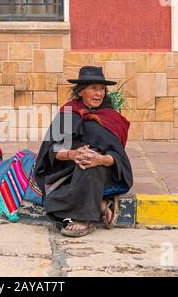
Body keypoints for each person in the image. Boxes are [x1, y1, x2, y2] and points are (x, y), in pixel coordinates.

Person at [34, 66, 133, 237]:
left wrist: (100, 159)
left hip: (103, 171)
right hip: (68, 170)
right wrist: (73, 154)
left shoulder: (110, 117)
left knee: (89, 166)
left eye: (102, 89)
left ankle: (83, 219)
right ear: (81, 92)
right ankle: (101, 204)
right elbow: (52, 149)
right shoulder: (68, 113)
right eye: (93, 88)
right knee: (54, 195)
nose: (99, 94)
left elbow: (118, 157)